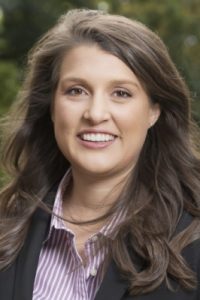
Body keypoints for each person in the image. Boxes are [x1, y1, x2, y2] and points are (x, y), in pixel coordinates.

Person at [0, 8, 200, 300]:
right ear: (52, 106)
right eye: (76, 91)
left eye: (121, 93)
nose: (95, 114)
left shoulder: (193, 240)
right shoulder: (6, 228)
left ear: (154, 111)